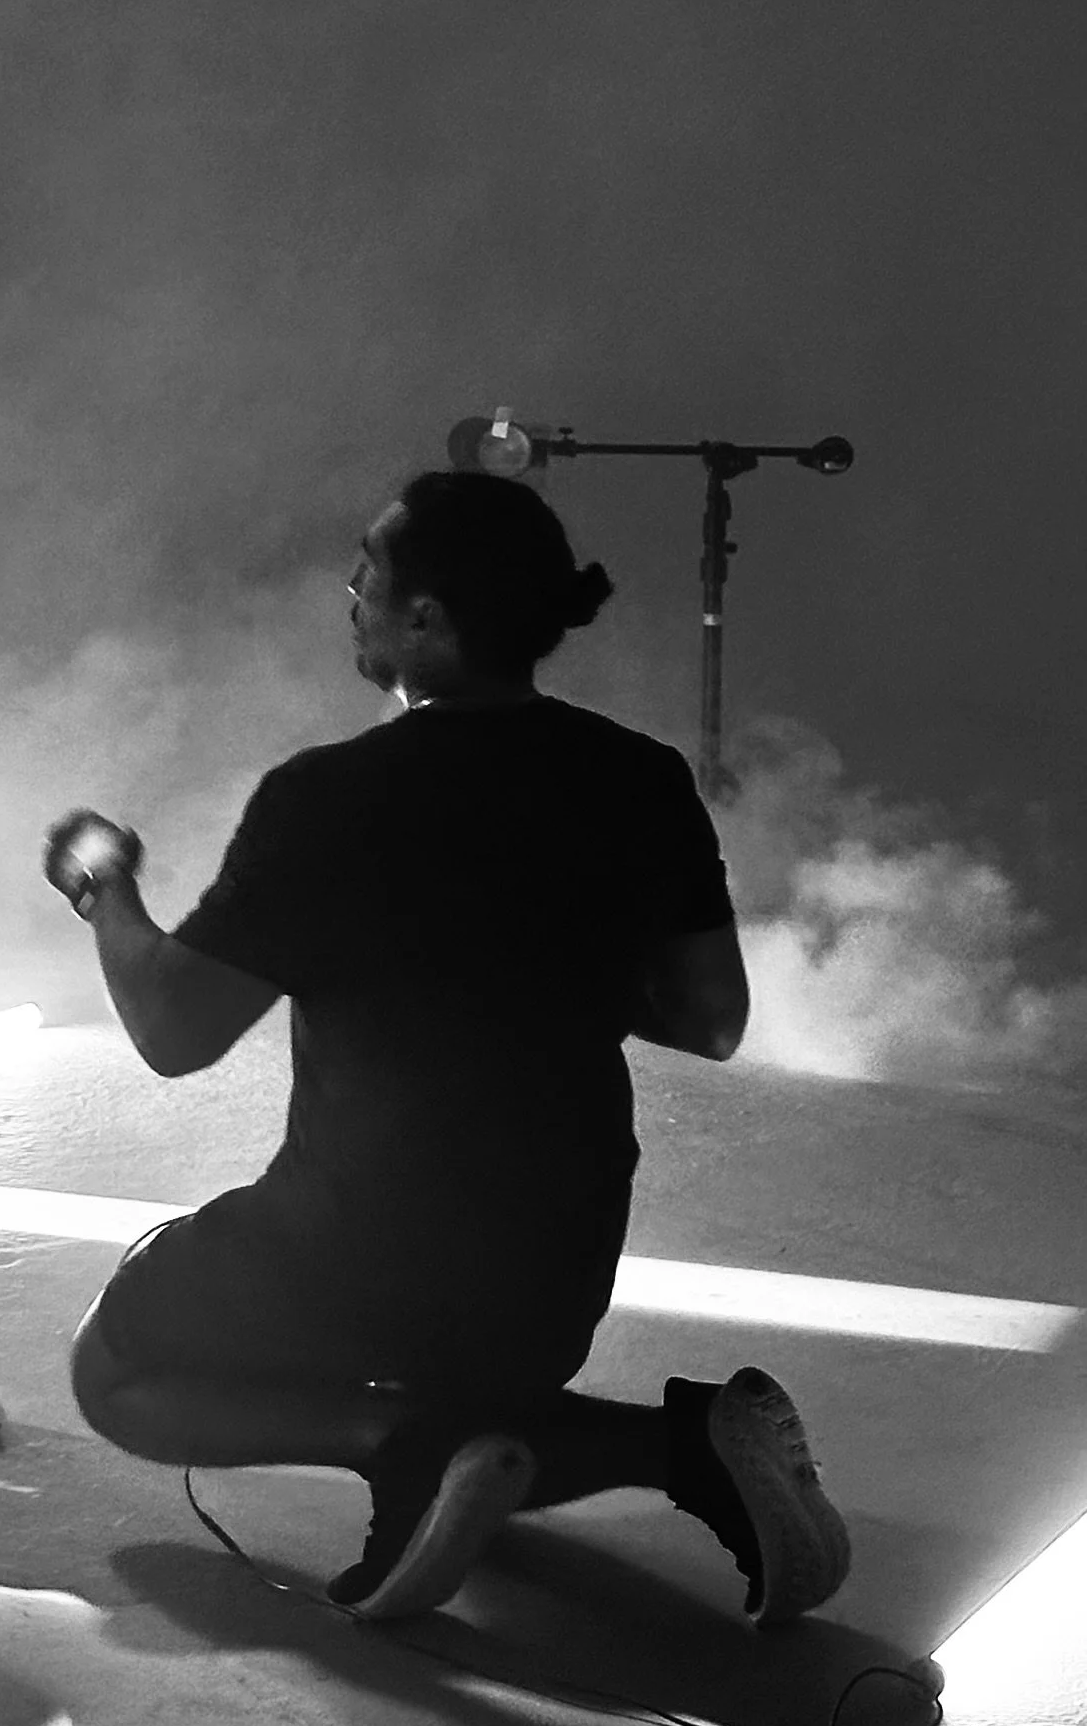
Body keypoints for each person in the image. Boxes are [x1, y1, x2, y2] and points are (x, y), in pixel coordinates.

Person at [45, 468, 851, 1628]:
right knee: (478, 1396)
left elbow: (174, 1033)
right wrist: (544, 956)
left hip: (355, 1250)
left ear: (425, 617)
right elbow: (713, 1020)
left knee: (113, 1371)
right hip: (553, 1270)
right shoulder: (641, 777)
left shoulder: (325, 799)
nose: (349, 590)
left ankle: (403, 1446)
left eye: (368, 571)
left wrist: (105, 888)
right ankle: (687, 1445)